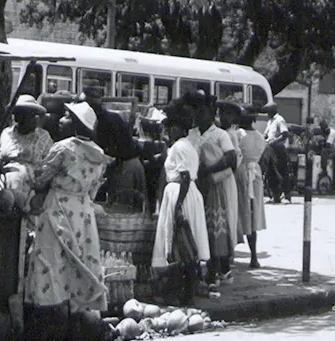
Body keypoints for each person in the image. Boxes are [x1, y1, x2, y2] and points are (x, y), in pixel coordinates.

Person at [14, 101, 113, 341]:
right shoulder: (98, 154)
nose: (61, 120)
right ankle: (68, 340)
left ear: (77, 125)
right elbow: (93, 189)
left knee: (46, 270)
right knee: (72, 272)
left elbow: (40, 179)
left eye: (67, 117)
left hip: (57, 211)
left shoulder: (63, 148)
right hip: (82, 214)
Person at [151, 99, 209, 305]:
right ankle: (185, 292)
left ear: (178, 128)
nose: (168, 131)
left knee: (180, 242)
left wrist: (177, 207)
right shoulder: (186, 146)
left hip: (180, 193)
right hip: (184, 192)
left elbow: (184, 176)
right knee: (184, 244)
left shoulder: (179, 147)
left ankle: (184, 293)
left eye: (170, 128)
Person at [192, 91, 239, 290]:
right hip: (198, 187)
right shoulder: (193, 134)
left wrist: (209, 169)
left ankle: (217, 271)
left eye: (203, 112)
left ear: (211, 114)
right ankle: (214, 270)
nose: (199, 116)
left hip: (218, 185)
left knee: (217, 228)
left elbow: (231, 158)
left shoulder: (221, 135)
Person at [84, 87, 146, 211]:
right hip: (131, 164)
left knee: (122, 211)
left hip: (125, 168)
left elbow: (109, 153)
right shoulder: (111, 117)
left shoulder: (104, 122)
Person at [0, 94, 53, 212]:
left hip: (30, 186)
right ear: (18, 117)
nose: (33, 119)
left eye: (34, 115)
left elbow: (50, 165)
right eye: (27, 115)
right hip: (4, 182)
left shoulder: (43, 136)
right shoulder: (6, 133)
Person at [235, 105, 267, 269]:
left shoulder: (238, 135)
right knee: (252, 213)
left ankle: (231, 254)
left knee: (239, 211)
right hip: (256, 174)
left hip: (241, 172)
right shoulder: (260, 137)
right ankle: (253, 256)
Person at [263, 102, 292, 203]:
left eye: (268, 112)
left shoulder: (279, 120)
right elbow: (266, 134)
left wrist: (274, 141)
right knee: (271, 173)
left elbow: (285, 134)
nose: (267, 114)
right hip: (270, 149)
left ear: (272, 111)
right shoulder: (270, 121)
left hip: (279, 149)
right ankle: (275, 196)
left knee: (282, 172)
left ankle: (286, 196)